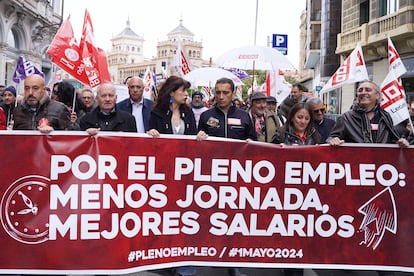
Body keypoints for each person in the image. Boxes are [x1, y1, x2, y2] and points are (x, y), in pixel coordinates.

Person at [328, 80, 410, 148]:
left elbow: (392, 140)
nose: (363, 93)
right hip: (356, 164)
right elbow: (331, 138)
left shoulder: (385, 116)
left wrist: (402, 141)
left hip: (380, 164)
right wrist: (333, 140)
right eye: (360, 90)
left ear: (377, 95)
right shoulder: (346, 117)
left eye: (368, 90)